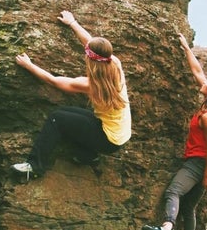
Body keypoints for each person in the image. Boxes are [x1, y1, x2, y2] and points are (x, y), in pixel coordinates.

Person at [142, 35, 207, 230]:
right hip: (204, 163)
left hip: (200, 163)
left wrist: (205, 176)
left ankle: (166, 227)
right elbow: (197, 72)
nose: (204, 81)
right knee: (189, 206)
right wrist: (185, 48)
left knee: (173, 192)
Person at [12, 9, 131, 179]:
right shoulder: (114, 64)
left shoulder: (90, 85)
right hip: (119, 133)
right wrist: (73, 23)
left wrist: (29, 65)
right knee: (67, 113)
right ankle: (88, 155)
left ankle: (34, 166)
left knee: (57, 119)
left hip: (108, 139)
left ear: (90, 60)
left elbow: (53, 81)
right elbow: (89, 43)